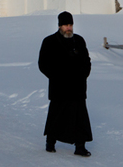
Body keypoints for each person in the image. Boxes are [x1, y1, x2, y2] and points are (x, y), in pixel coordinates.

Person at [38, 11, 93, 156]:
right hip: (59, 88)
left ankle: (80, 146)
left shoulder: (79, 41)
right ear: (59, 26)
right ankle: (51, 142)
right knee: (56, 115)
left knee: (79, 117)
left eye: (70, 25)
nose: (68, 28)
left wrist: (84, 75)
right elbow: (43, 64)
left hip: (77, 87)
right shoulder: (49, 41)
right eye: (65, 25)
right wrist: (56, 77)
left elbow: (87, 61)